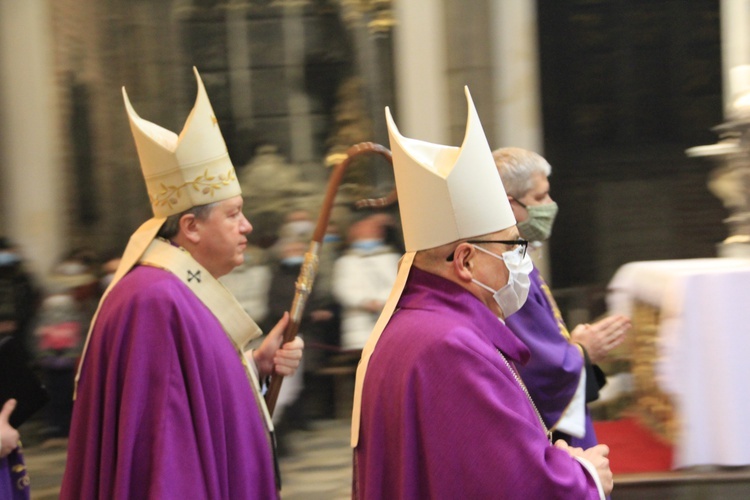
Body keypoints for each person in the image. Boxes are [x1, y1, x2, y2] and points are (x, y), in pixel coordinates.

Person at [351, 88, 612, 498]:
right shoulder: (449, 345)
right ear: (466, 261)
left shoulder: (421, 325)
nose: (519, 261)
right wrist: (583, 475)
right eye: (511, 246)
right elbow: (503, 481)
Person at [60, 68, 303, 499]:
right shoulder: (155, 300)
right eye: (233, 214)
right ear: (190, 226)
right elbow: (165, 452)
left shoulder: (178, 288)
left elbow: (196, 392)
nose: (247, 226)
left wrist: (255, 367)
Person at [494, 147, 630, 448]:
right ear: (508, 205)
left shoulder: (518, 257)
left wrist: (574, 348)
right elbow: (535, 368)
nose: (551, 205)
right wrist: (582, 352)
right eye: (540, 197)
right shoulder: (504, 272)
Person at [332, 212, 400, 350]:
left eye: (373, 227)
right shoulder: (346, 261)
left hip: (388, 316)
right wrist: (365, 301)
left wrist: (381, 301)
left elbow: (399, 284)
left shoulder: (392, 257)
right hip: (358, 326)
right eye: (363, 227)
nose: (368, 230)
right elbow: (342, 289)